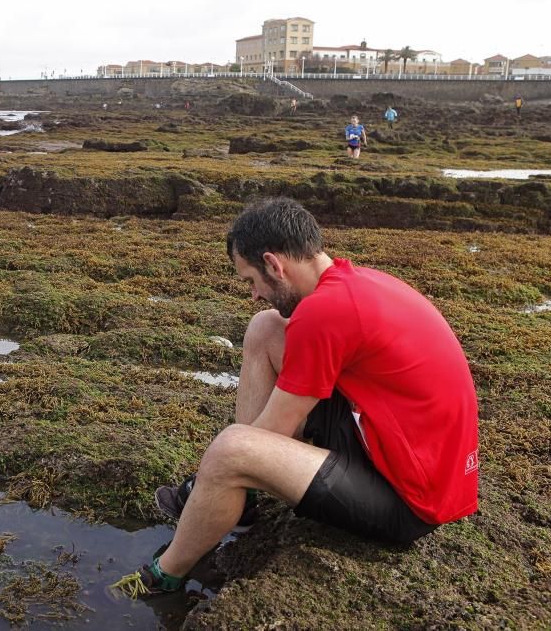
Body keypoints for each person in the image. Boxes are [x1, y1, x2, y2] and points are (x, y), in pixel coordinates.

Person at [112, 197, 479, 597]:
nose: (253, 293)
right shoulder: (350, 283)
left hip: (409, 502)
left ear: (274, 263)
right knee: (267, 327)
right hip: (398, 450)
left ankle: (162, 577)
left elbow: (271, 432)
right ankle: (242, 502)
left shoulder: (324, 313)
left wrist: (206, 479)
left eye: (251, 280)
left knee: (232, 450)